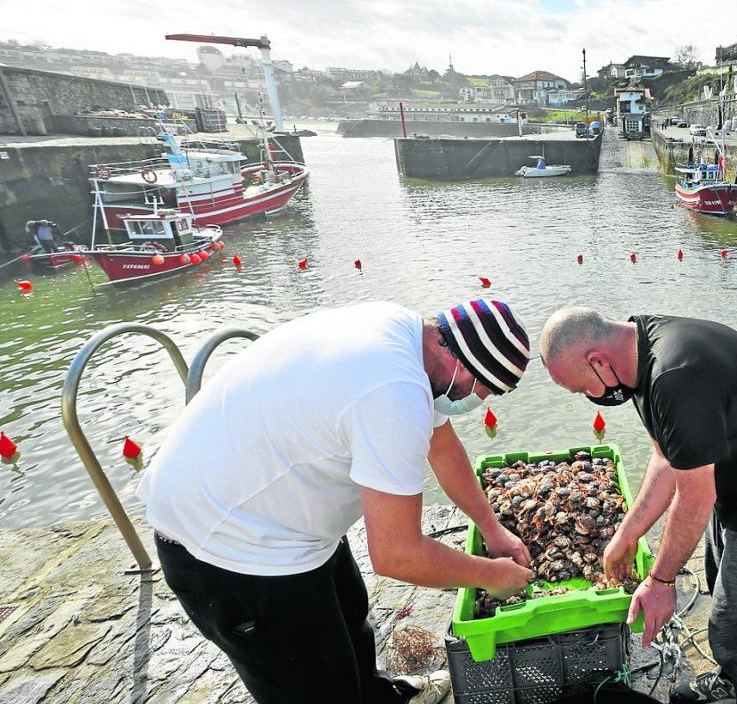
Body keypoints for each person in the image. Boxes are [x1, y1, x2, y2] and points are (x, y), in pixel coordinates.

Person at [139, 300, 535, 704]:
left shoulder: (406, 336)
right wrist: (490, 576)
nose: (479, 403)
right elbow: (398, 555)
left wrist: (492, 527)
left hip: (283, 515)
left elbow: (443, 446)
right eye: (486, 391)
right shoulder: (394, 394)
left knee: (349, 619)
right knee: (315, 686)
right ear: (465, 369)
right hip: (229, 546)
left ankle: (377, 694)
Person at [540, 309, 737, 704]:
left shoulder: (673, 377)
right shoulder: (635, 351)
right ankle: (732, 681)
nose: (588, 397)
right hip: (732, 478)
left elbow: (695, 497)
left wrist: (661, 582)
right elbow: (667, 458)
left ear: (597, 361)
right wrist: (627, 534)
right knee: (718, 582)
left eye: (580, 388)